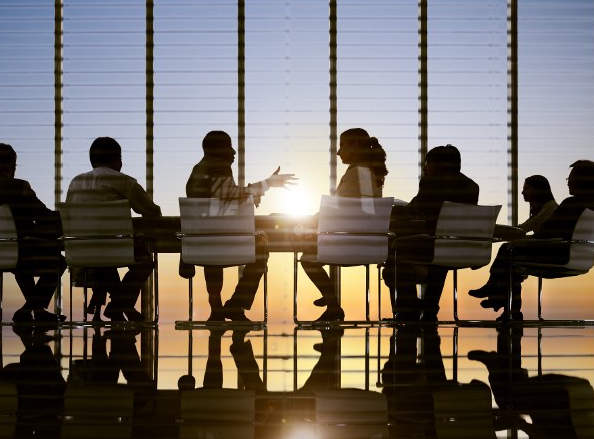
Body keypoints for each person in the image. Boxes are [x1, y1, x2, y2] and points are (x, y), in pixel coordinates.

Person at [185, 130, 297, 321]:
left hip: (201, 243)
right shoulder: (219, 166)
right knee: (261, 247)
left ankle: (217, 308)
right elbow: (226, 193)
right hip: (225, 241)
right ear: (219, 149)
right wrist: (267, 184)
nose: (234, 152)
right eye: (229, 146)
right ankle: (236, 304)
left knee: (212, 252)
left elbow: (217, 204)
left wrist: (248, 196)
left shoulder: (198, 170)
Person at [470, 160, 594, 320]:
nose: (568, 182)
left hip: (557, 255)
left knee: (507, 250)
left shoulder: (572, 203)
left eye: (570, 178)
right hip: (575, 257)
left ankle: (498, 296)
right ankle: (504, 304)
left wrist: (523, 241)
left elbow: (547, 233)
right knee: (511, 256)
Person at [66, 137, 162, 322]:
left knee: (104, 262)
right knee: (144, 261)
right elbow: (152, 212)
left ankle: (118, 306)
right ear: (115, 158)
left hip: (81, 253)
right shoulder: (124, 182)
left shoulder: (75, 183)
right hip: (115, 249)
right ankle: (119, 305)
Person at [0, 143, 65, 323]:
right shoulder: (19, 187)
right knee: (59, 261)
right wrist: (63, 216)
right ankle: (31, 307)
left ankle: (35, 311)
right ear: (13, 165)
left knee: (22, 260)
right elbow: (43, 216)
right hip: (18, 253)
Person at [299, 128, 388, 322]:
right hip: (371, 245)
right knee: (313, 247)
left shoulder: (358, 173)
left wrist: (310, 221)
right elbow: (362, 210)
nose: (338, 153)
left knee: (307, 257)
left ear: (354, 145)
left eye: (342, 146)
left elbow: (338, 208)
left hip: (351, 244)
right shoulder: (372, 173)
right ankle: (330, 300)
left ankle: (333, 304)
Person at [383, 144, 479, 321]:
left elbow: (413, 211)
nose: (425, 168)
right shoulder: (472, 186)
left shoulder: (432, 181)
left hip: (431, 245)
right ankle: (429, 310)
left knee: (392, 259)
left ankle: (408, 309)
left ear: (436, 163)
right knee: (440, 253)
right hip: (461, 248)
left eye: (427, 163)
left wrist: (388, 210)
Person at [468, 174, 557, 301]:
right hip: (542, 248)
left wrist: (508, 231)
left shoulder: (550, 207)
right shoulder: (542, 208)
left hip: (547, 252)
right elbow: (526, 227)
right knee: (510, 266)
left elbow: (528, 227)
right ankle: (502, 304)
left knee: (507, 251)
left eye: (527, 188)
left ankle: (494, 292)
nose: (522, 192)